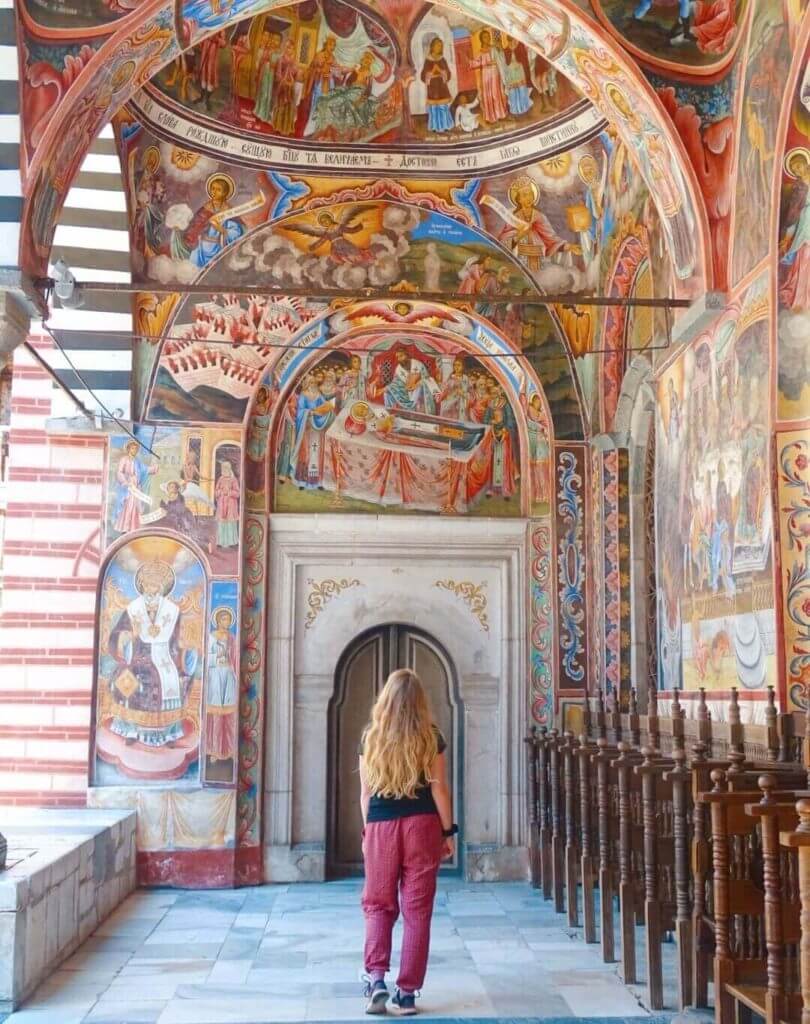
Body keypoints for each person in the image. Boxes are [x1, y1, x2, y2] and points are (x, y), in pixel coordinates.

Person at [358, 669, 456, 1017]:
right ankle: (408, 992)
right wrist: (449, 832)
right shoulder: (431, 736)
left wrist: (368, 830)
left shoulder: (372, 735)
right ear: (419, 701)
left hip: (382, 825)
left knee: (378, 904)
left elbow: (366, 793)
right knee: (417, 911)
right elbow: (438, 789)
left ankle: (376, 980)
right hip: (422, 826)